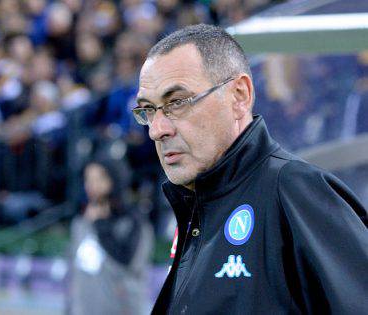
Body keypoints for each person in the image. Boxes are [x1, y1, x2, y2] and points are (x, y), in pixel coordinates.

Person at [132, 24, 368, 314]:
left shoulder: (294, 189)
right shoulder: (197, 206)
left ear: (239, 95)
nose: (157, 130)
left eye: (177, 102)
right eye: (148, 110)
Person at [68, 159, 154, 315]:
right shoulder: (80, 223)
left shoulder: (134, 223)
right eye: (88, 179)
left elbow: (129, 265)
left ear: (115, 180)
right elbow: (75, 274)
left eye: (100, 178)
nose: (91, 185)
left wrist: (101, 226)